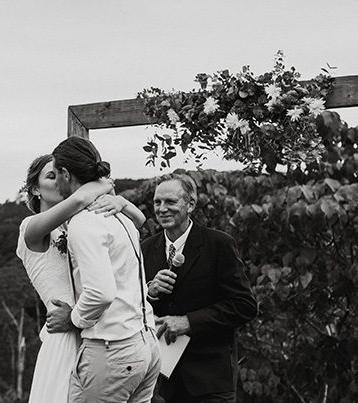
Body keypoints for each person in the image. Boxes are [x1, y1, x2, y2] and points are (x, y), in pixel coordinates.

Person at [17, 154, 146, 403]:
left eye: (61, 175)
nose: (58, 182)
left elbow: (138, 223)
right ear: (35, 189)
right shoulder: (30, 228)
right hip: (65, 336)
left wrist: (120, 201)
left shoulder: (79, 224)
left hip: (96, 333)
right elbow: (79, 198)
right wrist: (103, 184)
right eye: (51, 176)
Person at [47, 137, 160, 403]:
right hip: (146, 344)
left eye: (55, 174)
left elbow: (101, 293)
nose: (55, 182)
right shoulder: (118, 213)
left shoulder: (84, 222)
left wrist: (73, 318)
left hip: (113, 352)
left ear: (65, 174)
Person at [141, 173, 258, 403]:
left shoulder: (219, 244)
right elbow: (131, 306)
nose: (162, 209)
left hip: (210, 381)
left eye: (170, 202)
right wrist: (150, 292)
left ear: (191, 204)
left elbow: (245, 306)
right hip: (161, 383)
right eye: (157, 202)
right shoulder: (145, 248)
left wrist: (189, 322)